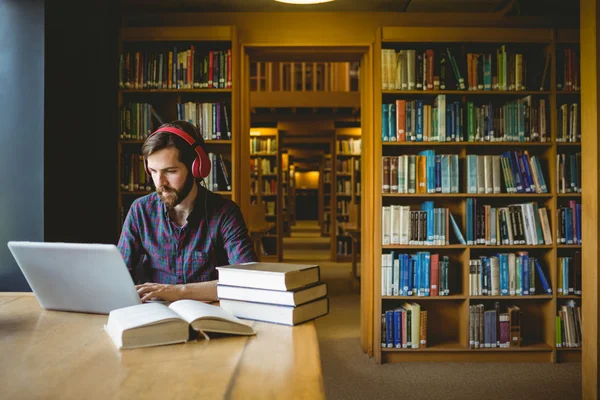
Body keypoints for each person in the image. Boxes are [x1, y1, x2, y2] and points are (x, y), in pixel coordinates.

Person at [118, 120, 257, 302]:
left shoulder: (225, 214)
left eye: (170, 171)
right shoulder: (140, 210)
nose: (160, 183)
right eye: (153, 171)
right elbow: (119, 274)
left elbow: (249, 280)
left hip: (210, 313)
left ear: (196, 168)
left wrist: (179, 292)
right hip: (155, 313)